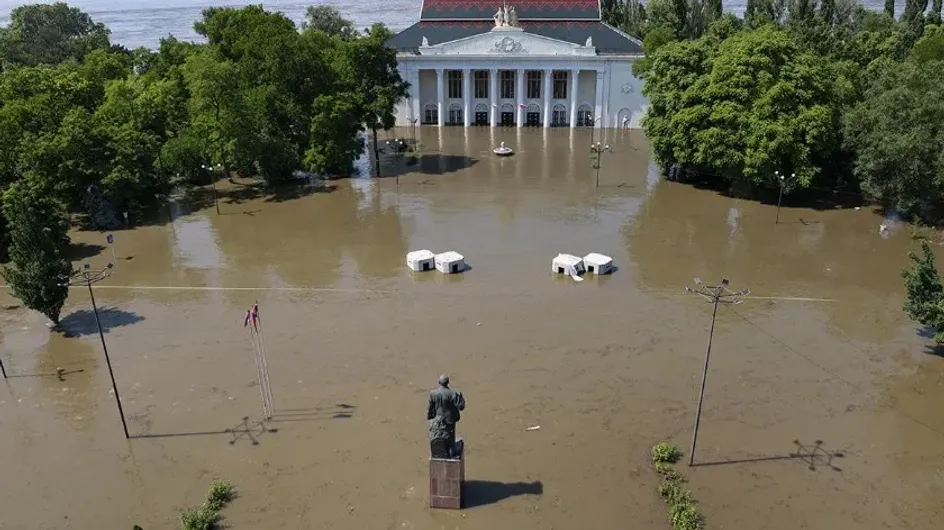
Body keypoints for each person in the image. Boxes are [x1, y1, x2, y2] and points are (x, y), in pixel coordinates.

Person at [427, 374, 465, 458]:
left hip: (437, 417)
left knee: (438, 434)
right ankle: (451, 451)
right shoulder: (452, 393)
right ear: (448, 382)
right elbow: (461, 407)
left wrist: (429, 417)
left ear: (439, 382)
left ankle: (440, 450)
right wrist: (462, 400)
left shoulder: (433, 393)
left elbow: (430, 407)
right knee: (450, 436)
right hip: (449, 418)